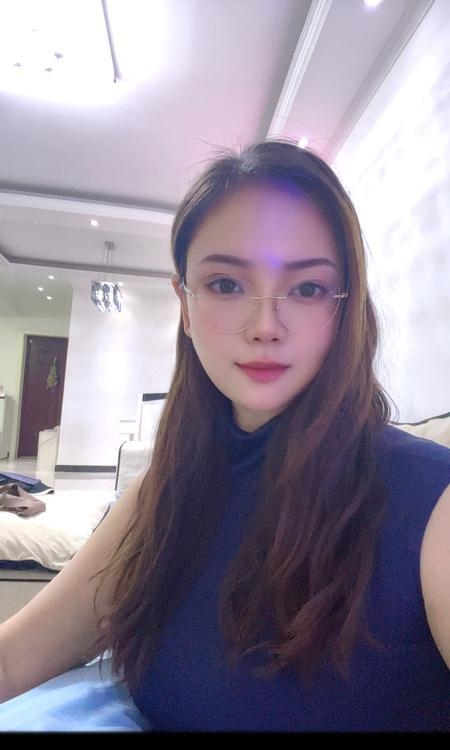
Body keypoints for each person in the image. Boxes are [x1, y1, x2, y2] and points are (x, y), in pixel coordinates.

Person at [0, 139, 449, 732]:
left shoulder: (432, 501)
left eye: (307, 288)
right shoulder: (166, 491)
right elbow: (14, 660)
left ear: (344, 308)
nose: (265, 325)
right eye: (226, 285)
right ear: (184, 306)